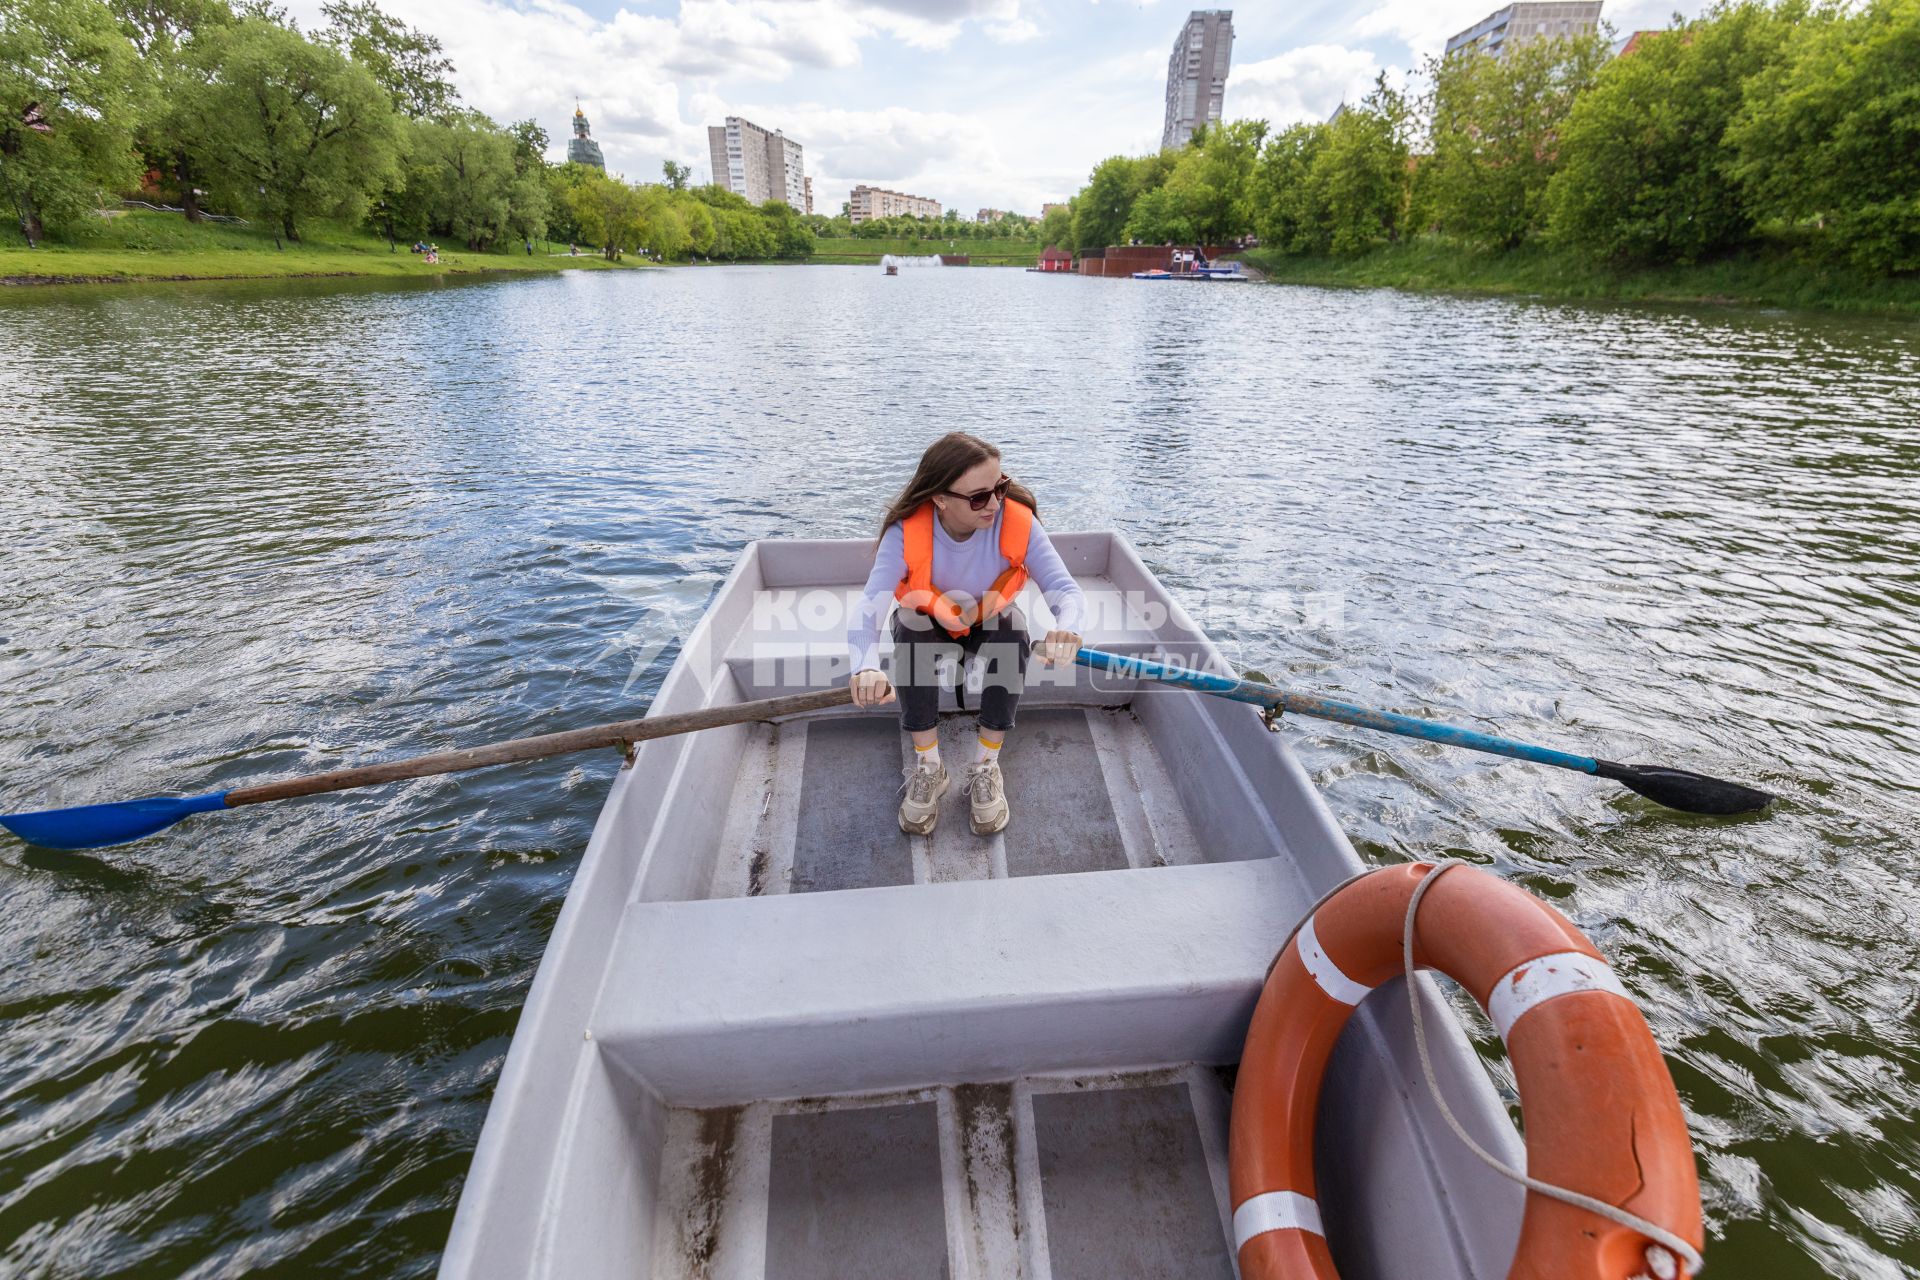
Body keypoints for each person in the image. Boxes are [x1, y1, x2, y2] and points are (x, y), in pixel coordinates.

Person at [848, 433, 1085, 836]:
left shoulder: (1017, 522)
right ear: (940, 498)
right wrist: (865, 667)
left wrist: (1068, 629)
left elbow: (1066, 592)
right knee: (909, 628)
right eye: (978, 497)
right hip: (929, 622)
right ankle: (929, 767)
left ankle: (986, 765)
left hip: (988, 619)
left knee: (1014, 630)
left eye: (1000, 488)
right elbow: (869, 609)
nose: (994, 504)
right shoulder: (905, 532)